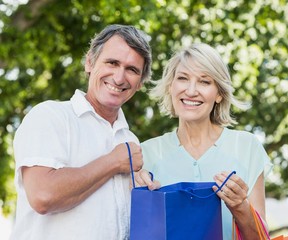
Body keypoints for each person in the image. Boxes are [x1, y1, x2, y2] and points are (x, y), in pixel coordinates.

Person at [10, 24, 152, 240]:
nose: (120, 77)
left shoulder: (129, 140)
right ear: (89, 62)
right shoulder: (50, 116)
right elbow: (43, 195)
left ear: (140, 82)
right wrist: (114, 162)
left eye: (132, 70)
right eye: (112, 63)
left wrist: (147, 195)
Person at [136, 43, 272, 239]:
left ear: (219, 94)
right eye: (183, 78)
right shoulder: (146, 153)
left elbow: (260, 238)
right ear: (171, 86)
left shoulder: (247, 147)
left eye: (204, 81)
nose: (191, 91)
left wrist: (240, 206)